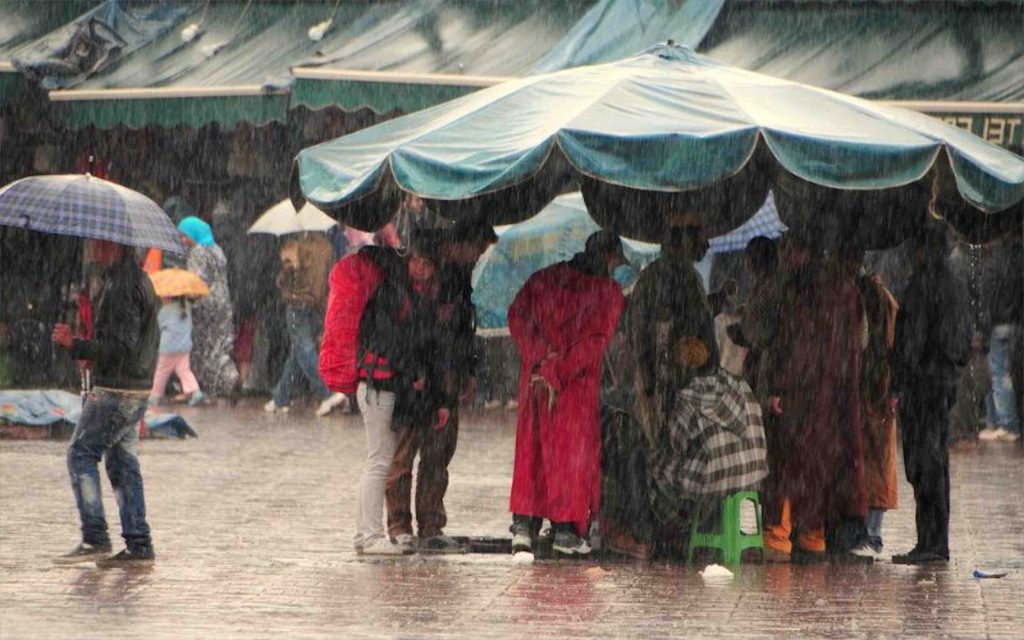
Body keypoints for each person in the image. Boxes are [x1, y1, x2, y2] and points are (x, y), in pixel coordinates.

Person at [742, 238, 868, 563]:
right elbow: (862, 339)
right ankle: (813, 536)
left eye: (788, 249)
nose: (785, 256)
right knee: (820, 464)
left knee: (787, 464)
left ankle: (778, 537)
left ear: (802, 250)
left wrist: (779, 387)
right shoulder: (847, 290)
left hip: (797, 393)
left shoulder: (795, 288)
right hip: (835, 394)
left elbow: (767, 334)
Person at [320, 234, 445, 555]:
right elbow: (392, 342)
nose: (421, 268)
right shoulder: (393, 293)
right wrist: (412, 373)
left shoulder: (397, 292)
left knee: (376, 459)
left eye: (427, 264)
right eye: (417, 261)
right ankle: (372, 536)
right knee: (379, 460)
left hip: (375, 383)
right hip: (378, 384)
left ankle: (365, 534)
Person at [507, 230, 626, 556]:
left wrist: (540, 358)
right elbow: (594, 344)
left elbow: (516, 317)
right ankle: (565, 530)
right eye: (616, 262)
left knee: (532, 456)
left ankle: (523, 526)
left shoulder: (542, 280)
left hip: (536, 383)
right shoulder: (609, 293)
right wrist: (558, 370)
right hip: (574, 389)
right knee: (570, 460)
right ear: (607, 258)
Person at [386, 223, 497, 554]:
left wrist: (467, 370)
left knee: (438, 453)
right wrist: (418, 373)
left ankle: (431, 523)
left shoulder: (459, 280)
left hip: (445, 375)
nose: (478, 257)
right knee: (404, 451)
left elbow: (463, 331)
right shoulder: (413, 283)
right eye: (476, 248)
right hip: (414, 378)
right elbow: (412, 335)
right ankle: (399, 524)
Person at [51, 239, 159, 566]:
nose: (94, 249)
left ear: (118, 246)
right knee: (123, 462)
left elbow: (120, 347)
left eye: (101, 243)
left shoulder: (122, 286)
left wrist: (78, 346)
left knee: (81, 453)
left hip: (117, 390)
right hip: (136, 388)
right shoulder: (133, 279)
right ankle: (138, 544)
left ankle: (95, 536)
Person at [891, 225, 971, 564]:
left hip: (922, 383)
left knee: (923, 462)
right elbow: (964, 336)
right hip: (945, 382)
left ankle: (930, 543)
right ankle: (936, 541)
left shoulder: (922, 286)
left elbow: (912, 340)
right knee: (936, 459)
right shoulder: (955, 285)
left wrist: (898, 379)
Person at [264, 234, 347, 416]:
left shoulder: (295, 247)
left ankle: (328, 393)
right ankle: (281, 398)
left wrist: (287, 269)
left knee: (305, 350)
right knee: (297, 353)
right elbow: (330, 278)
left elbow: (284, 280)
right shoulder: (327, 247)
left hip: (297, 305)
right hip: (316, 306)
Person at [852, 261, 900, 558]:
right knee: (875, 459)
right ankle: (871, 531)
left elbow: (872, 341)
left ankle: (871, 532)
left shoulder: (871, 296)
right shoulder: (882, 296)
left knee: (874, 459)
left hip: (874, 386)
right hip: (877, 385)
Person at [177, 217, 239, 396]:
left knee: (204, 349)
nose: (183, 240)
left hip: (206, 305)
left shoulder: (198, 252)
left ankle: (214, 385)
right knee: (220, 346)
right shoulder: (216, 249)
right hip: (222, 303)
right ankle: (229, 378)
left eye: (184, 236)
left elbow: (197, 282)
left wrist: (185, 294)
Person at [978, 231, 1023, 443]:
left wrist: (984, 326)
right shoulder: (1015, 259)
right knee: (1003, 373)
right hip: (1014, 321)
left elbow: (989, 299)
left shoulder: (995, 264)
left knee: (999, 374)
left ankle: (1007, 423)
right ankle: (997, 420)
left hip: (999, 324)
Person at [149, 296, 205, 407]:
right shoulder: (186, 307)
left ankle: (155, 395)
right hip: (184, 346)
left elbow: (158, 326)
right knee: (184, 371)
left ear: (168, 297)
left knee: (161, 372)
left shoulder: (165, 310)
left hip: (168, 348)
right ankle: (195, 391)